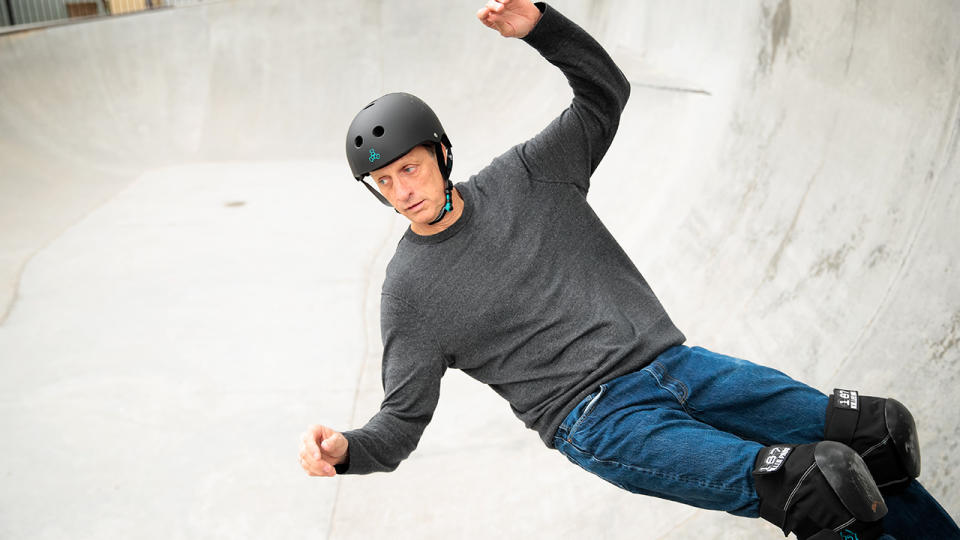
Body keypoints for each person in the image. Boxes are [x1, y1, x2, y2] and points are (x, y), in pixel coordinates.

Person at [299, 1, 958, 538]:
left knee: (874, 440)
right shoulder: (409, 291)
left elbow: (603, 93)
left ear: (440, 152)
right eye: (383, 183)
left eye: (408, 168)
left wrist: (543, 28)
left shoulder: (530, 175)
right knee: (811, 486)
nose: (402, 190)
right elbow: (400, 422)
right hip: (600, 420)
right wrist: (348, 451)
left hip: (683, 367)